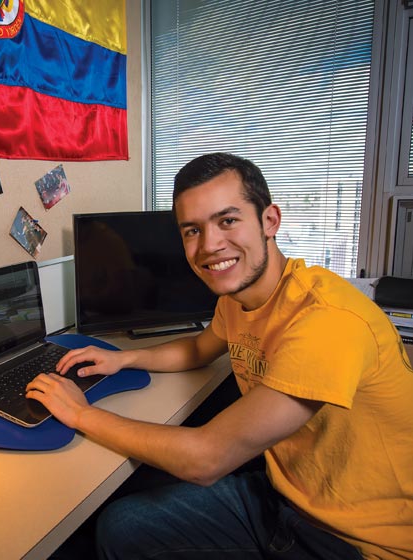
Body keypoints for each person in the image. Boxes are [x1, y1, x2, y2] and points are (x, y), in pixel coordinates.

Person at [27, 153, 413, 560]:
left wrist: (80, 413)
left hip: (357, 543)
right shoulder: (238, 297)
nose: (209, 246)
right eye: (192, 230)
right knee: (119, 526)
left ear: (269, 221)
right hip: (286, 494)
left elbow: (206, 458)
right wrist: (124, 360)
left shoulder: (327, 321)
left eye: (227, 221)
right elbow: (198, 347)